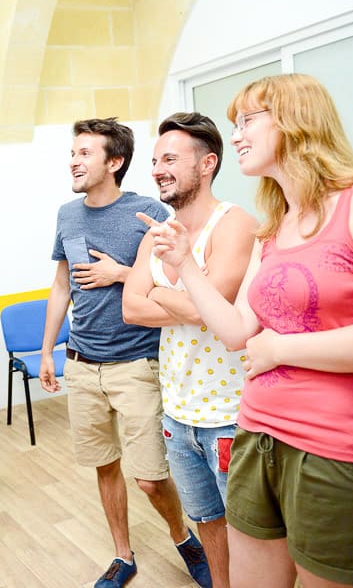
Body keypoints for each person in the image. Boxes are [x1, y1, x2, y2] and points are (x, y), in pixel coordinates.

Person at [143, 74, 353, 588]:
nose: (236, 136)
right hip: (256, 433)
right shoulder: (274, 227)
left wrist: (281, 349)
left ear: (296, 121)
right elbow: (234, 330)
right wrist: (185, 265)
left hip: (334, 447)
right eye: (235, 124)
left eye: (248, 121)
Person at [38, 117, 212, 588]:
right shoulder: (66, 215)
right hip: (81, 362)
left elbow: (169, 280)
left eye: (85, 153)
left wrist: (120, 274)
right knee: (104, 465)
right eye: (72, 152)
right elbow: (61, 285)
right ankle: (123, 555)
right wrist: (48, 349)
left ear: (114, 162)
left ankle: (182, 536)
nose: (74, 160)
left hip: (135, 364)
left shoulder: (148, 211)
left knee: (151, 478)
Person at [123, 112, 258, 588]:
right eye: (155, 160)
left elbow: (212, 310)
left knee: (249, 527)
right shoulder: (156, 232)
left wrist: (159, 293)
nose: (158, 168)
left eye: (170, 159)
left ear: (207, 164)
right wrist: (176, 301)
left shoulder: (235, 223)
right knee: (207, 520)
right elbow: (130, 308)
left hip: (229, 412)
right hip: (177, 412)